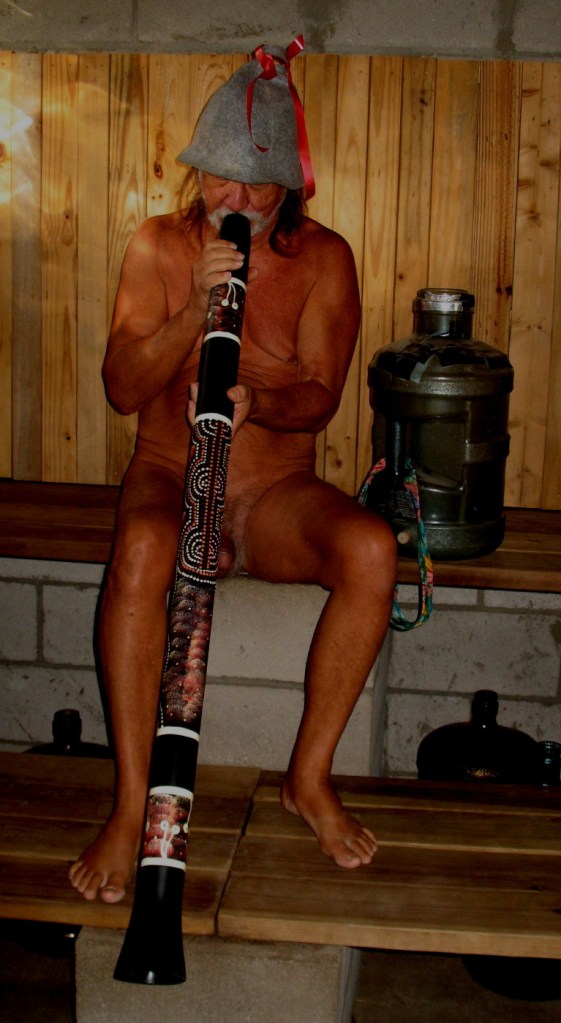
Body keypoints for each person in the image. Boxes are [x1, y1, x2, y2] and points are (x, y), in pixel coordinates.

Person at [69, 42, 397, 904]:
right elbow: (121, 387)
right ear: (196, 171)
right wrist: (189, 313)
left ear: (290, 186)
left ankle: (307, 778)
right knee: (143, 549)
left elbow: (320, 396)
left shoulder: (324, 257)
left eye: (259, 187)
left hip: (272, 492)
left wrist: (262, 400)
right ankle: (133, 804)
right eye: (221, 179)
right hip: (171, 474)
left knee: (370, 549)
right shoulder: (156, 244)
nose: (238, 201)